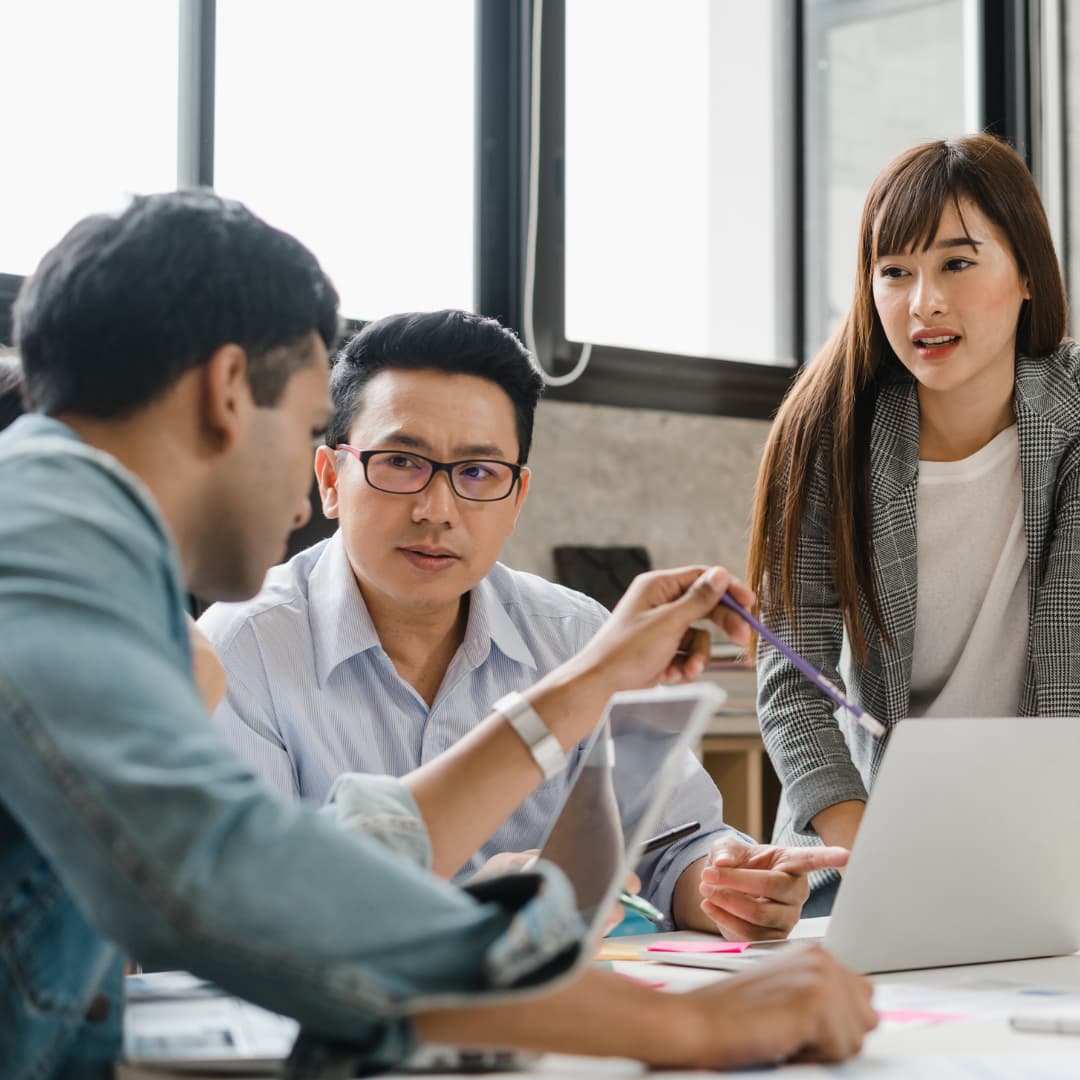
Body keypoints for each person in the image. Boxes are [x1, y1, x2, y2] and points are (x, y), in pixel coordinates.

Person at [0, 191, 875, 1078]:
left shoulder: (62, 539)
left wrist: (589, 685)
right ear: (230, 392)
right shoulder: (43, 547)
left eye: (477, 472)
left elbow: (326, 858)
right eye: (312, 430)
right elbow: (227, 879)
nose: (305, 506)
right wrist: (687, 1030)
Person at [199, 309, 848, 939]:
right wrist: (481, 906)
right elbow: (254, 915)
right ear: (331, 479)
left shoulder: (574, 633)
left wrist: (729, 887)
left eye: (479, 473)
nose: (437, 509)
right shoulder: (244, 649)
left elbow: (672, 848)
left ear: (516, 499)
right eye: (401, 462)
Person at [747, 133, 1077, 913]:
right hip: (873, 839)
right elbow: (793, 682)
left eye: (957, 263)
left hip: (1052, 841)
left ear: (1026, 271)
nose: (923, 301)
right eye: (895, 272)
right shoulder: (827, 431)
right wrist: (879, 860)